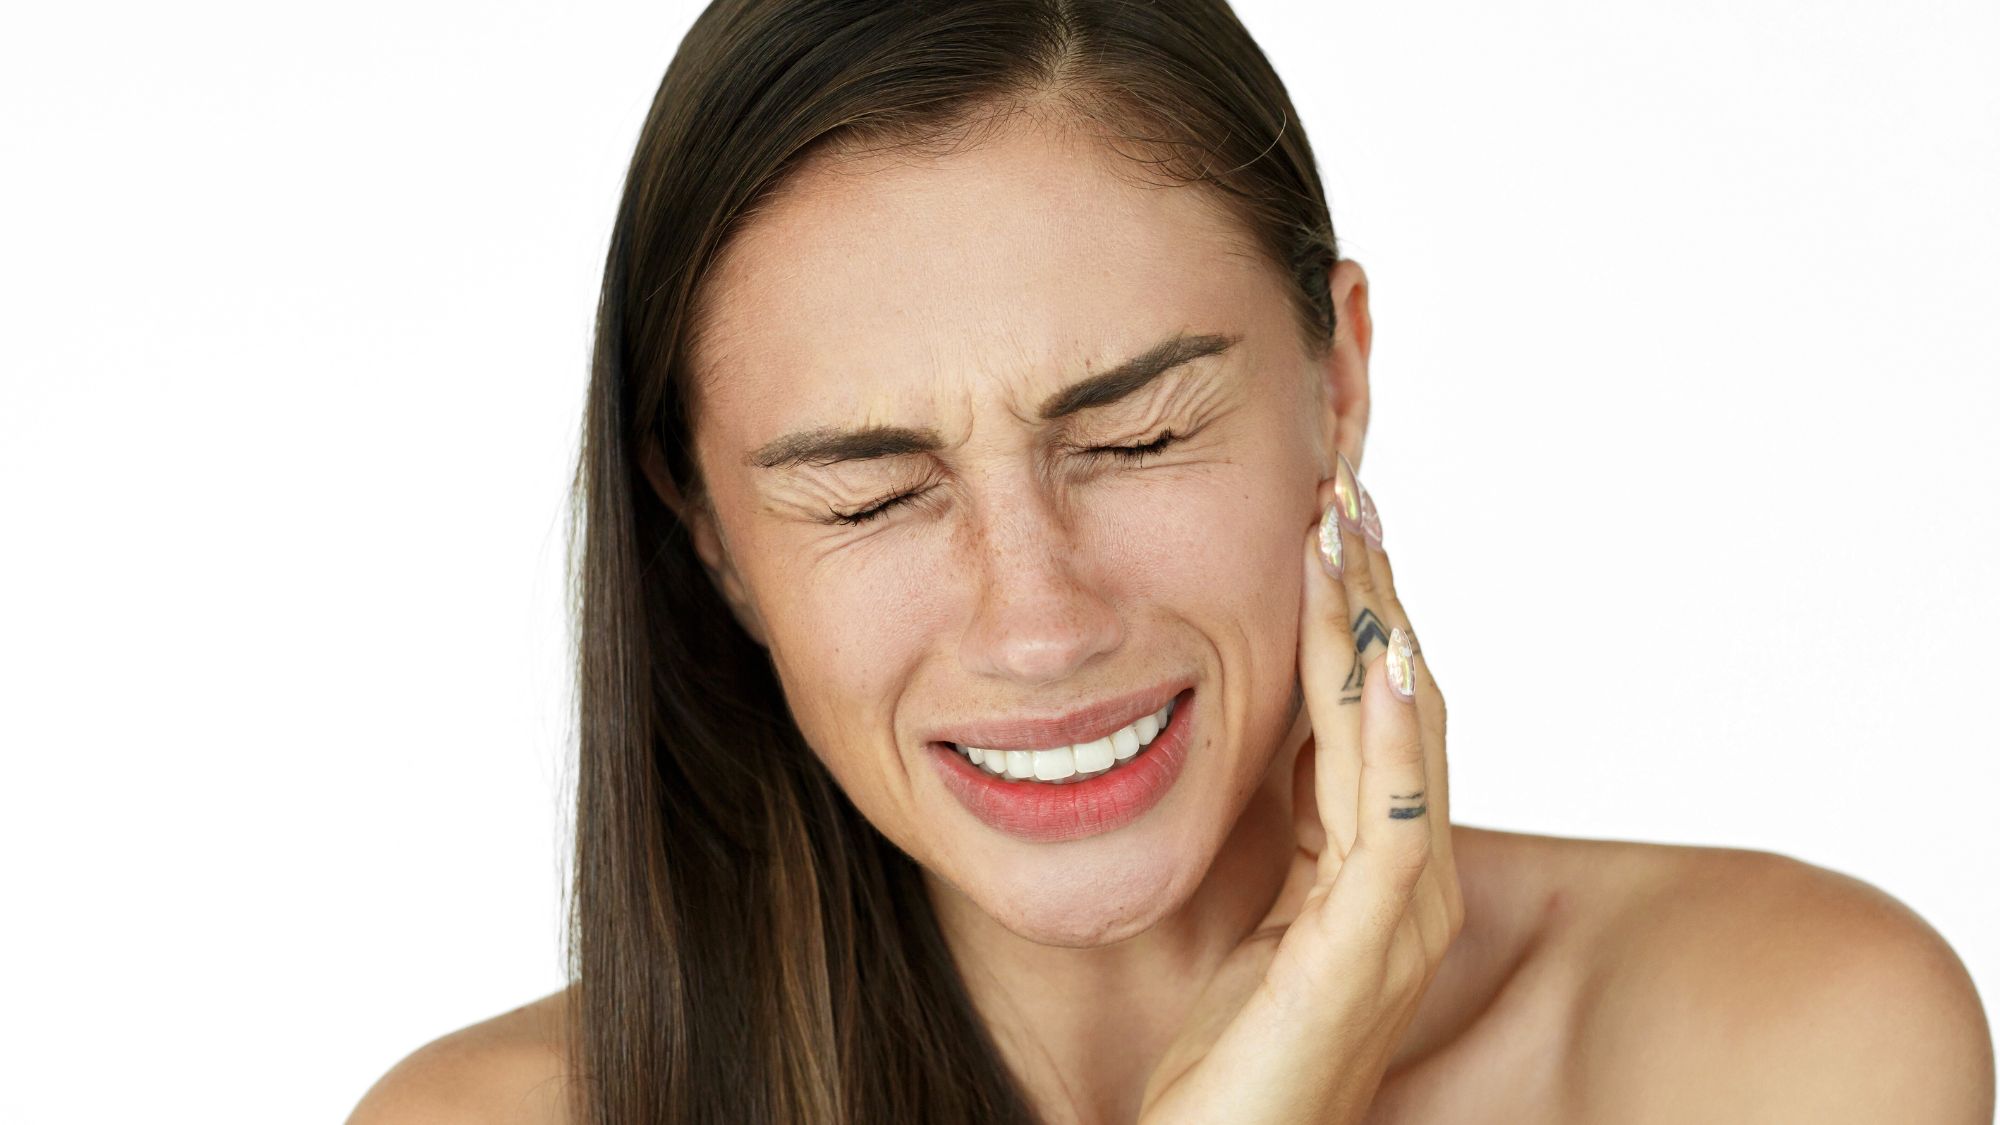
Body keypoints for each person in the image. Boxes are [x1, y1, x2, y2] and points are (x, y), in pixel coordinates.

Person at [348, 0, 1994, 1121]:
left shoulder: (1784, 1045)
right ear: (704, 533)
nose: (1039, 617)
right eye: (868, 490)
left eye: (1131, 435)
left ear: (1335, 381)